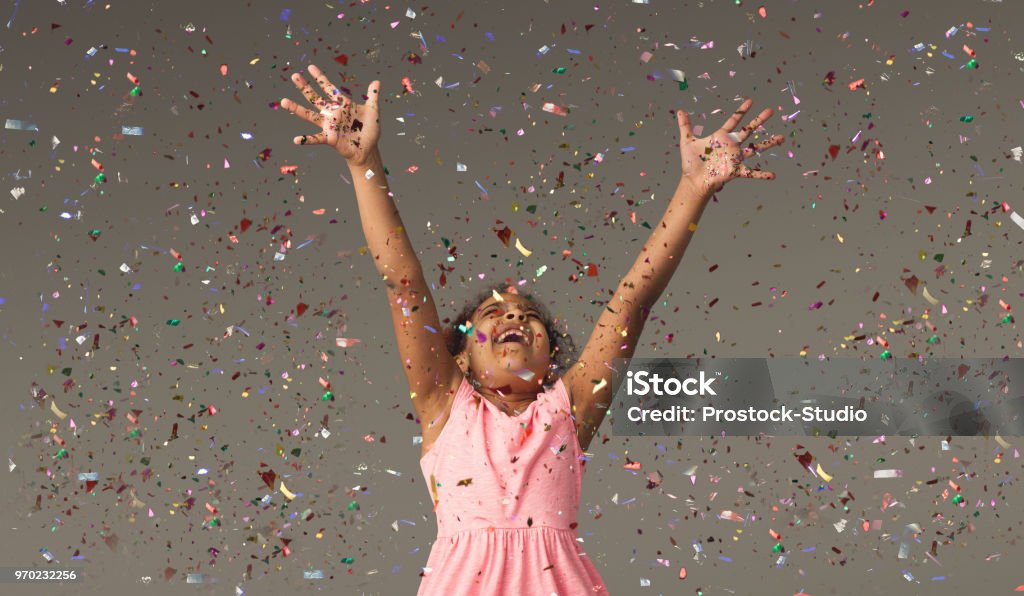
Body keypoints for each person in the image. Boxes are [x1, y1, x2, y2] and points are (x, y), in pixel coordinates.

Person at [281, 64, 785, 595]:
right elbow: (404, 284)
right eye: (493, 316)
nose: (515, 318)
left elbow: (633, 302)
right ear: (458, 360)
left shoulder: (567, 412)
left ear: (550, 362)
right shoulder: (443, 406)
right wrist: (364, 164)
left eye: (529, 317)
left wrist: (694, 188)